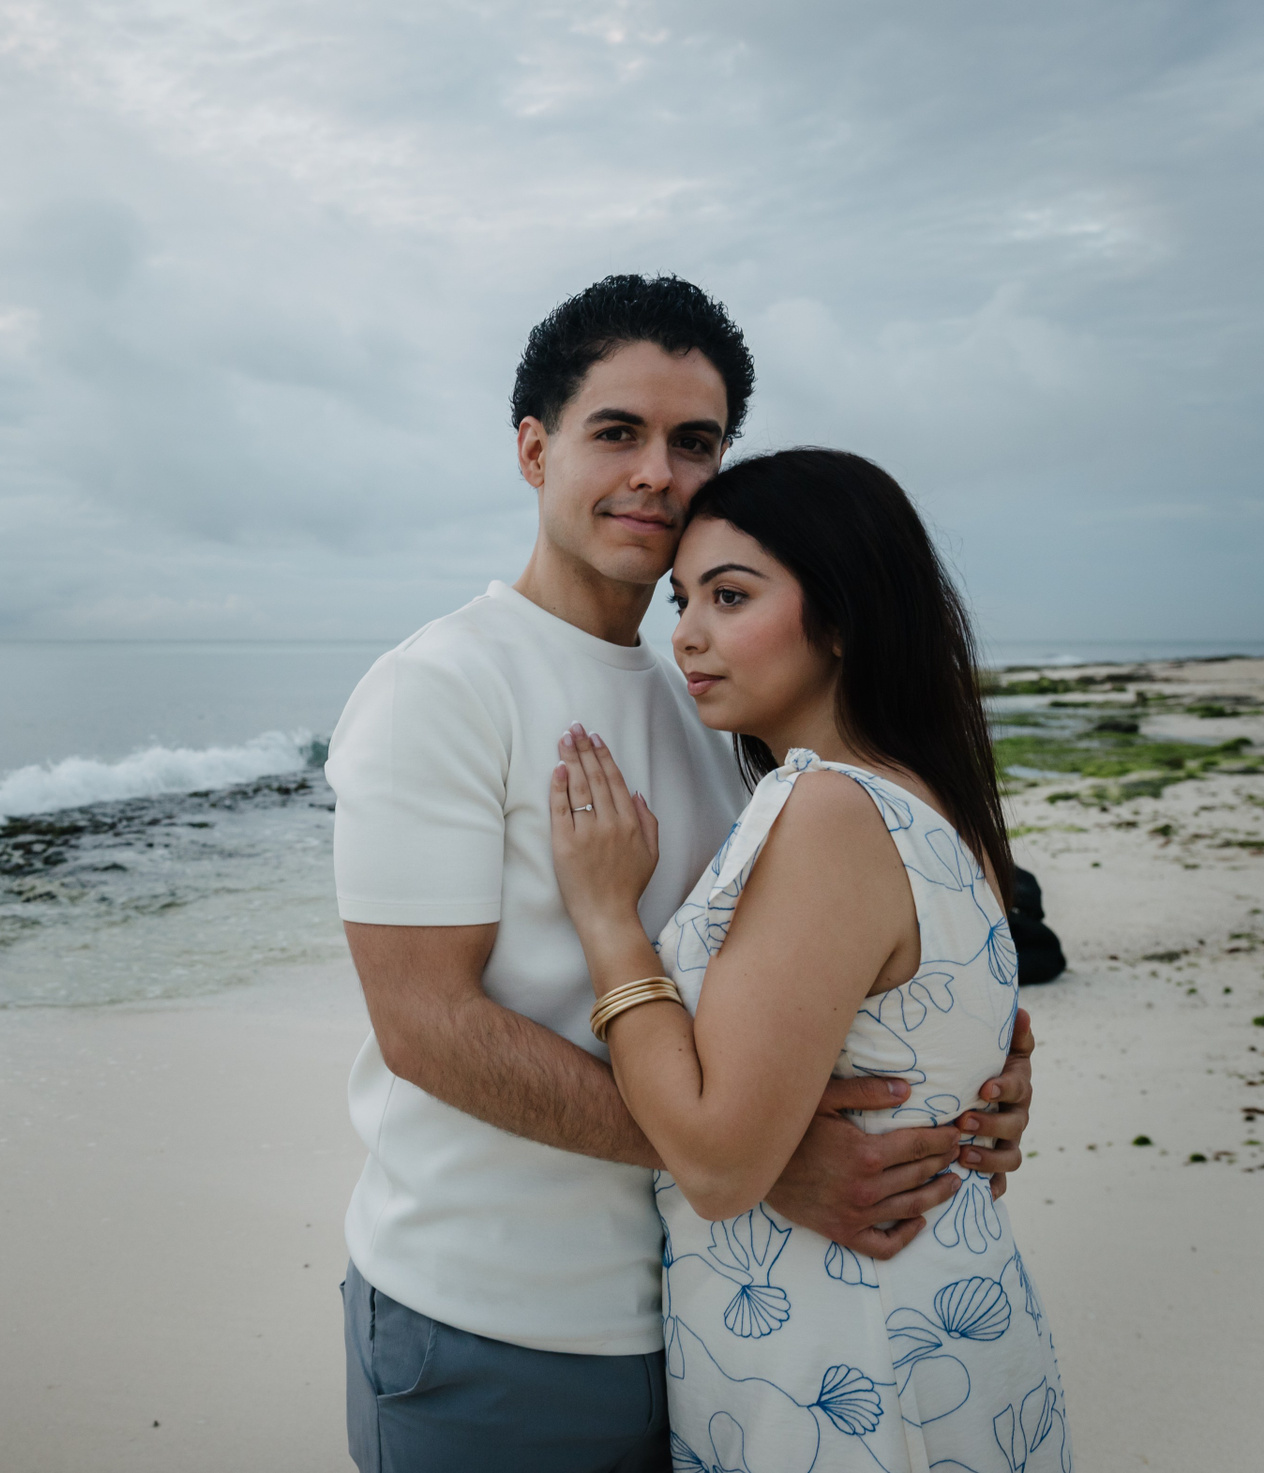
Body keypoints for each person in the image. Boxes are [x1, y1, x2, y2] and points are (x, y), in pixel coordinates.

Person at [325, 276, 1036, 1473]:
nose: (658, 472)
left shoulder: (717, 704)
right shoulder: (440, 687)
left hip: (713, 1321)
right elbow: (425, 1025)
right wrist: (764, 1162)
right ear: (534, 450)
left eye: (694, 442)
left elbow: (816, 961)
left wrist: (962, 1086)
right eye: (618, 432)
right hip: (500, 1318)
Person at [547, 448, 1067, 1471]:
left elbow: (718, 1164)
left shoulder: (829, 810)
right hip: (939, 1321)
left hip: (839, 1356)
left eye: (731, 596)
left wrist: (609, 921)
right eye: (683, 599)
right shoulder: (932, 796)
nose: (685, 633)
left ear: (840, 617)